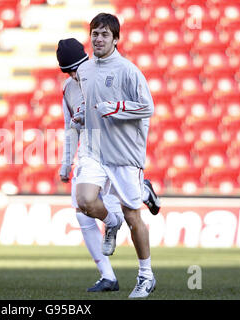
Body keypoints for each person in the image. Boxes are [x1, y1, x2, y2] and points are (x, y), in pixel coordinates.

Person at [56, 38, 161, 294]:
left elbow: (139, 110)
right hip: (90, 154)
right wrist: (66, 162)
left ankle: (142, 193)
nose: (74, 74)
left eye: (77, 68)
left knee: (128, 211)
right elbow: (70, 127)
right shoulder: (68, 89)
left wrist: (136, 153)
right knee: (83, 209)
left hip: (117, 153)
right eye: (69, 71)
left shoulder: (106, 75)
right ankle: (107, 276)